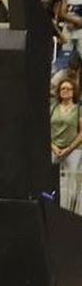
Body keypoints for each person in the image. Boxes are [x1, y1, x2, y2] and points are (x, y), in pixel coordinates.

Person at [52, 75, 81, 213]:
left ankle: (69, 213)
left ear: (74, 92)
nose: (65, 91)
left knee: (71, 185)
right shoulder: (53, 108)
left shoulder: (79, 109)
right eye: (63, 88)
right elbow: (45, 129)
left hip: (73, 151)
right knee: (53, 182)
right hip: (54, 149)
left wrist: (69, 149)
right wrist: (53, 147)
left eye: (69, 89)